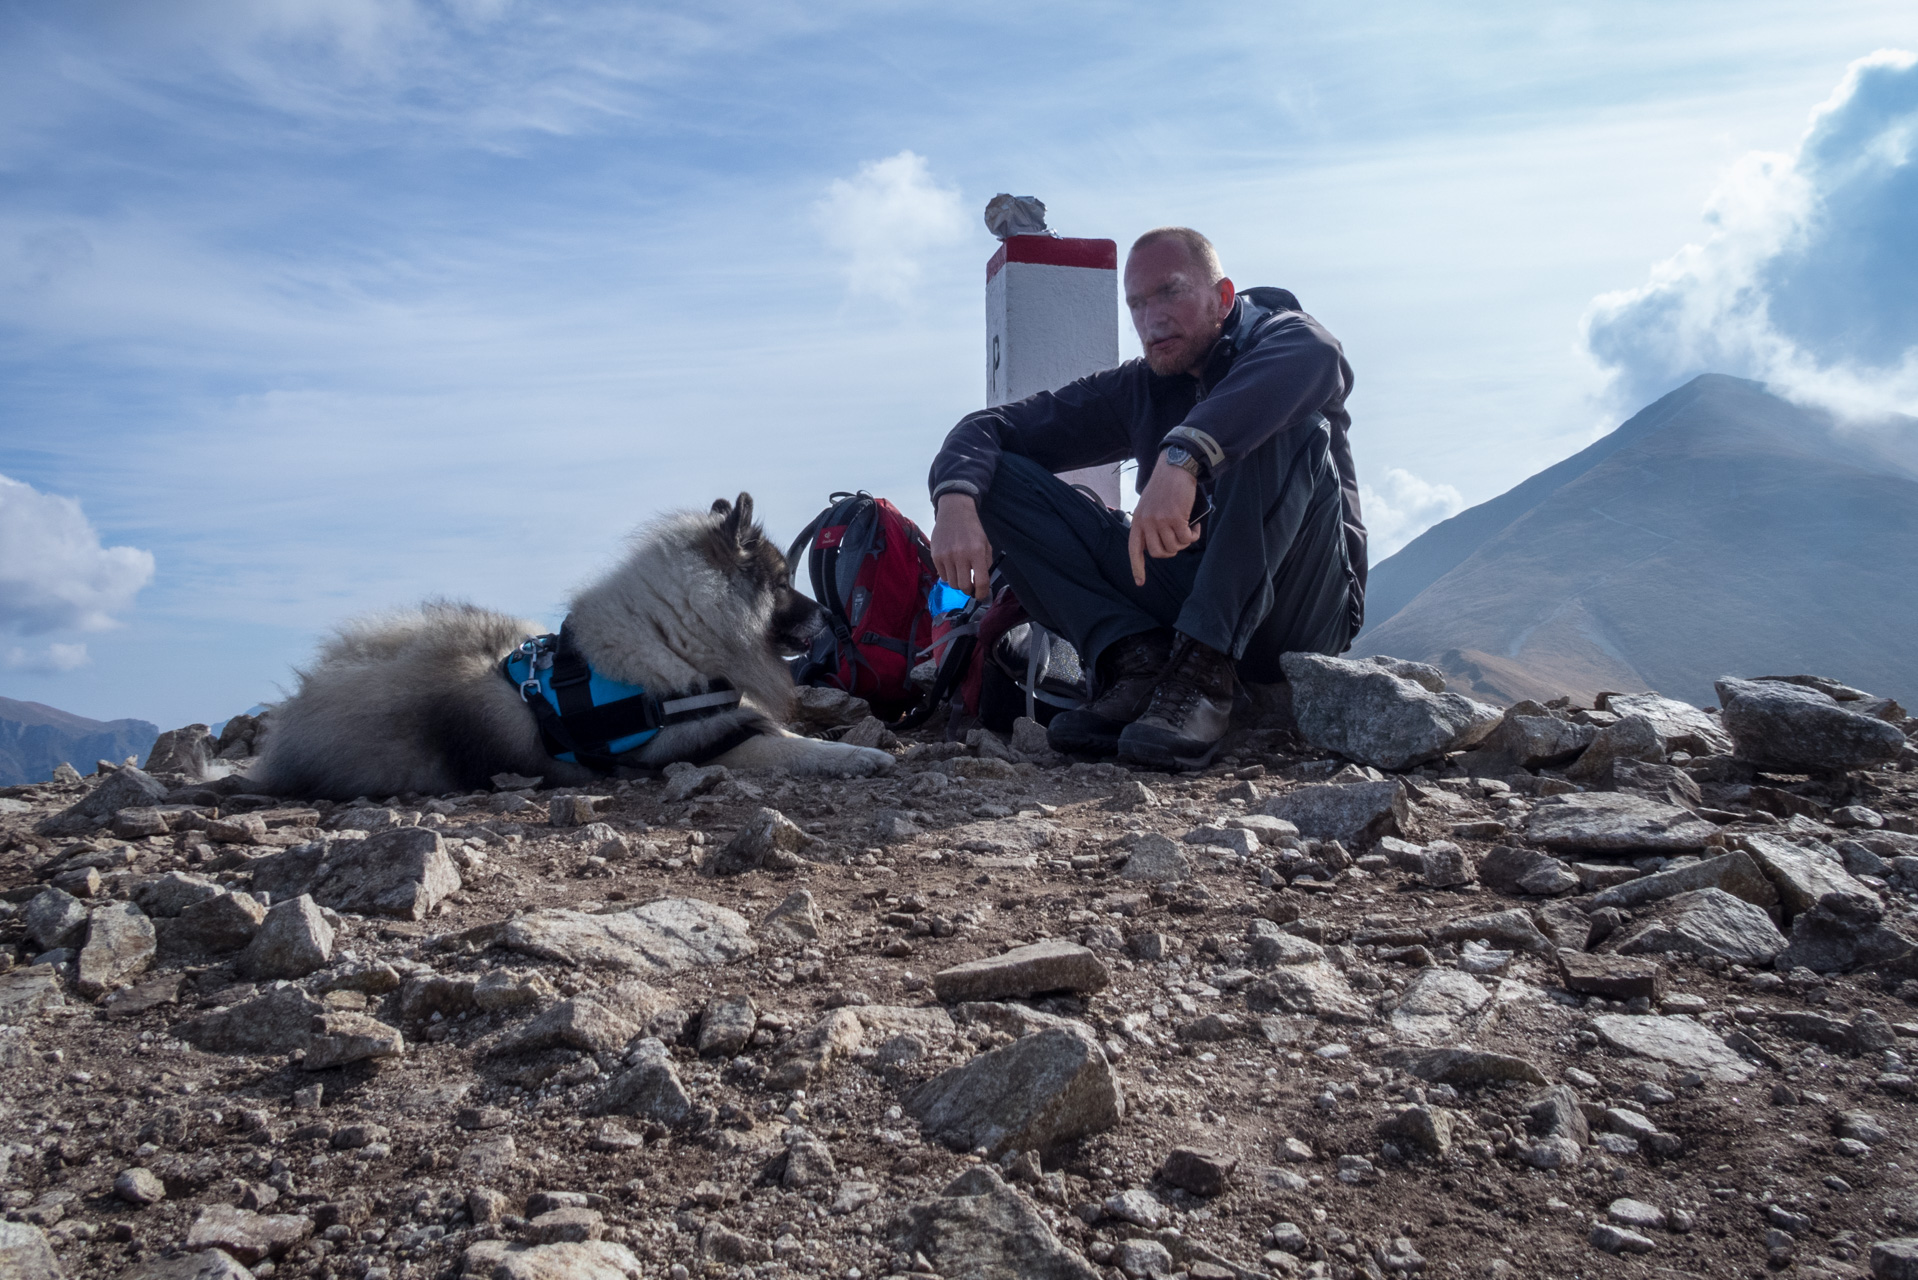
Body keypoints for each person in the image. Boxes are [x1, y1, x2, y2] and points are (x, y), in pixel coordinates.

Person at [927, 226, 1366, 770]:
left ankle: (1204, 673)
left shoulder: (1285, 342)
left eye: (1171, 292)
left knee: (1293, 424)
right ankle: (1135, 664)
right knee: (994, 476)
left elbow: (1318, 355)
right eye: (1136, 304)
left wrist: (1184, 456)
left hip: (1298, 608)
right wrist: (955, 500)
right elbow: (990, 428)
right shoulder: (1141, 385)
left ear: (1223, 298)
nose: (1151, 319)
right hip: (1183, 591)